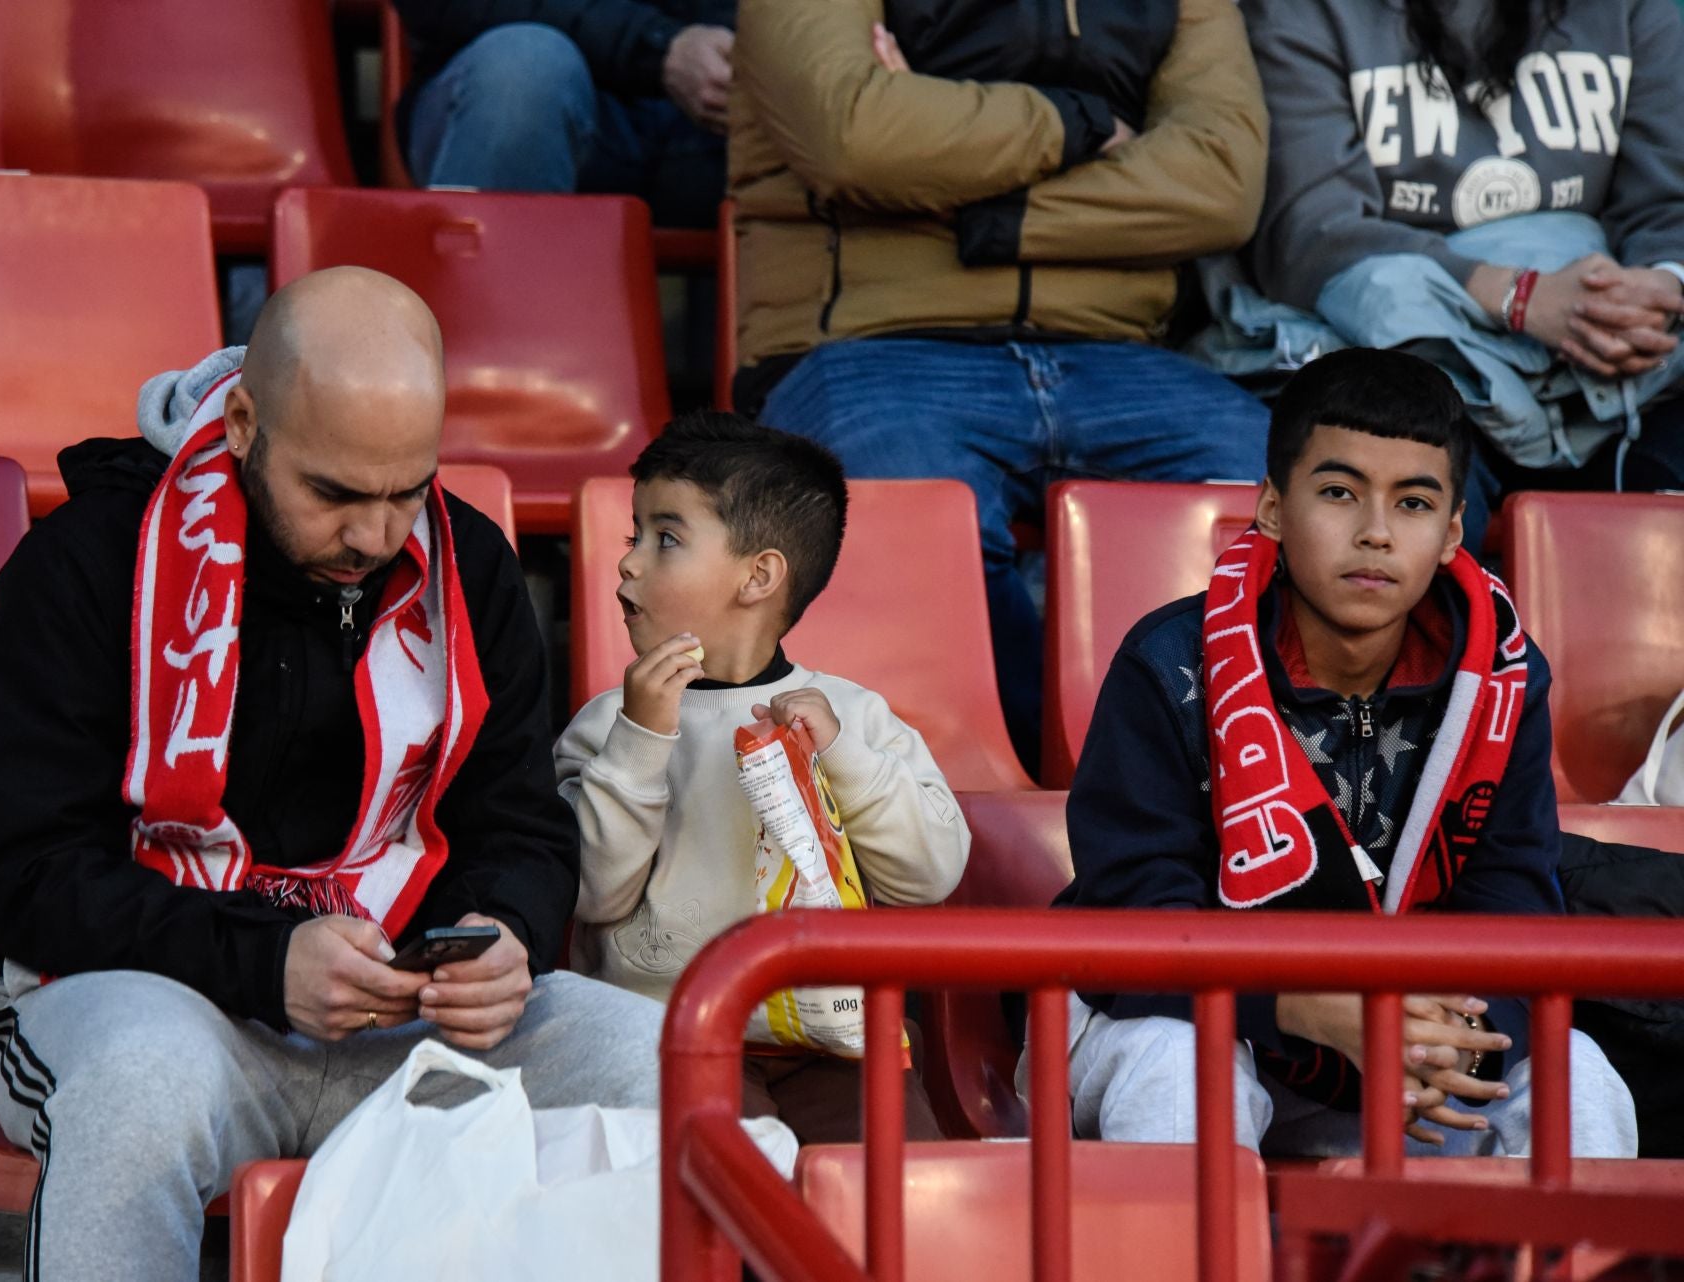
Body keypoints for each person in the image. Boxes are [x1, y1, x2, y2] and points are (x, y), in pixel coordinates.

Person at [0, 267, 665, 1280]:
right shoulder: (83, 565)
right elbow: (30, 876)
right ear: (245, 421)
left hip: (408, 1020)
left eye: (407, 490)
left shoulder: (467, 564)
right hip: (169, 1003)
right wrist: (268, 961)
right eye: (334, 492)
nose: (376, 537)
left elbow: (519, 821)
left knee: (656, 1060)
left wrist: (503, 933)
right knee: (137, 1085)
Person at [1035, 348, 1636, 1157]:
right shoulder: (1171, 663)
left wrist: (1447, 1035)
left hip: (1401, 1055)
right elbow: (1134, 926)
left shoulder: (1503, 679)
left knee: (1579, 1078)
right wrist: (1307, 1004)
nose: (1377, 532)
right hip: (1174, 1023)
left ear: (1453, 530)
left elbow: (1516, 909)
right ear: (1275, 510)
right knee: (1179, 1067)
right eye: (1339, 493)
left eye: (1414, 502)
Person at [730, 0, 1276, 776]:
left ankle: (1175, 789)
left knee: (1283, 493)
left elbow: (1223, 181)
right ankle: (1020, 784)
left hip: (1113, 352)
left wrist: (970, 188)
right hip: (875, 345)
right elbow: (854, 136)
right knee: (913, 510)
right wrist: (1083, 123)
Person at [554, 411, 969, 1142]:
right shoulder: (605, 725)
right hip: (668, 1039)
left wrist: (844, 757)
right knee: (725, 1196)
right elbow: (591, 892)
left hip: (838, 1047)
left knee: (895, 1204)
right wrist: (643, 738)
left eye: (667, 538)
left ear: (760, 576)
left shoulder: (852, 717)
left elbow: (929, 873)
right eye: (633, 536)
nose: (628, 563)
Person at [1202, 0, 1684, 554]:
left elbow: (1667, 203)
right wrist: (1518, 297)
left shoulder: (1632, 9)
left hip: (1604, 368)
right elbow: (1311, 234)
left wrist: (1656, 287)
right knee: (1412, 511)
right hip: (1407, 358)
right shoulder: (1303, 11)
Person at [393, 0, 732, 228]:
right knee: (526, 69)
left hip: (710, 120)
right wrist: (657, 45)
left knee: (773, 88)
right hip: (511, 95)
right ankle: (482, 325)